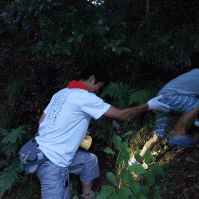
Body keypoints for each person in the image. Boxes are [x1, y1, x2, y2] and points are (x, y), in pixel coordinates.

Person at [19, 64, 170, 199]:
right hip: (53, 163)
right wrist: (149, 105)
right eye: (100, 86)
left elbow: (41, 122)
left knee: (89, 161)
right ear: (92, 79)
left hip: (40, 151)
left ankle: (86, 196)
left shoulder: (61, 93)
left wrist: (68, 134)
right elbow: (123, 115)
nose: (98, 91)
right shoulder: (85, 97)